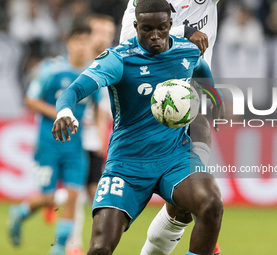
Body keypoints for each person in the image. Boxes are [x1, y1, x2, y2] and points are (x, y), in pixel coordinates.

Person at [51, 0, 224, 254]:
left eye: (161, 29)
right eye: (147, 29)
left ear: (170, 26)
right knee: (100, 248)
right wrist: (64, 111)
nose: (155, 36)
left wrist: (213, 95)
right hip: (127, 164)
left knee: (211, 204)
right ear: (136, 25)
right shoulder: (118, 59)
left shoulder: (186, 50)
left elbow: (200, 67)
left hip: (173, 157)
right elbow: (74, 90)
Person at [120, 0, 221, 254]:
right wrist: (185, 33)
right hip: (150, 104)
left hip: (190, 97)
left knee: (187, 206)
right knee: (192, 203)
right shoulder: (145, 5)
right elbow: (132, 38)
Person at [8, 26, 95, 255]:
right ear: (69, 43)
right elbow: (30, 100)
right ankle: (20, 212)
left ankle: (58, 249)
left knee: (73, 196)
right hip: (48, 144)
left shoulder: (92, 73)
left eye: (87, 41)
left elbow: (97, 107)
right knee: (50, 197)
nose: (82, 46)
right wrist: (61, 113)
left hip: (76, 148)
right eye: (78, 41)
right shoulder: (51, 69)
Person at [66, 14, 116, 255]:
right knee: (78, 190)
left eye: (109, 33)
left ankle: (91, 243)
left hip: (94, 137)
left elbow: (104, 108)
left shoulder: (115, 61)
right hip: (77, 136)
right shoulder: (79, 64)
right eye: (100, 32)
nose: (105, 38)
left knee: (93, 191)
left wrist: (102, 135)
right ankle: (73, 243)